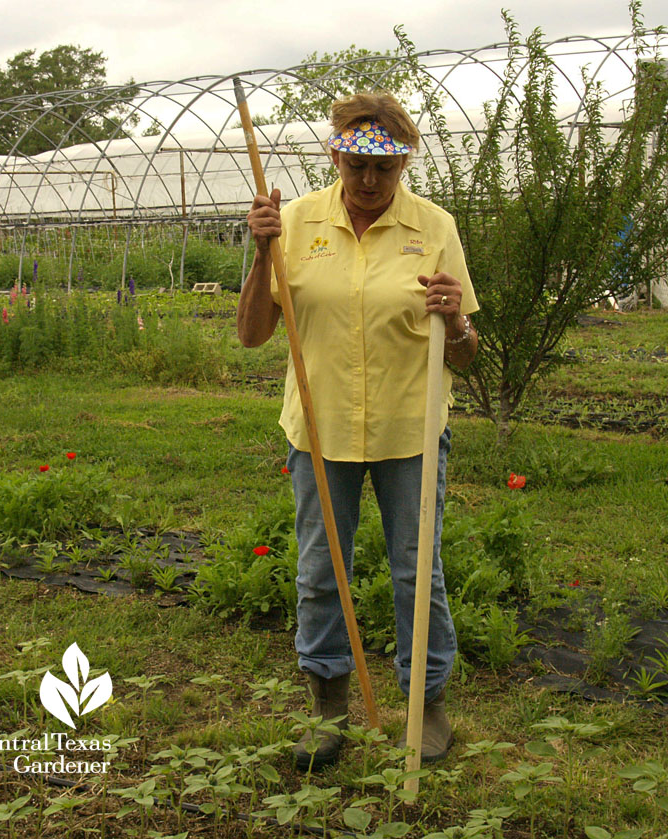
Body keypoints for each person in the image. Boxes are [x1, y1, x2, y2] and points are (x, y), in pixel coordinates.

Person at [237, 92, 479, 769]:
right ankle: (326, 703)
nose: (370, 183)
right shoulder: (292, 221)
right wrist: (261, 256)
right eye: (357, 166)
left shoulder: (434, 228)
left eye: (385, 168)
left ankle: (424, 702)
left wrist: (456, 321)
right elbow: (253, 334)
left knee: (416, 571)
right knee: (320, 570)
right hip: (322, 428)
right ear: (336, 155)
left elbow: (464, 352)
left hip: (410, 427)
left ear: (403, 162)